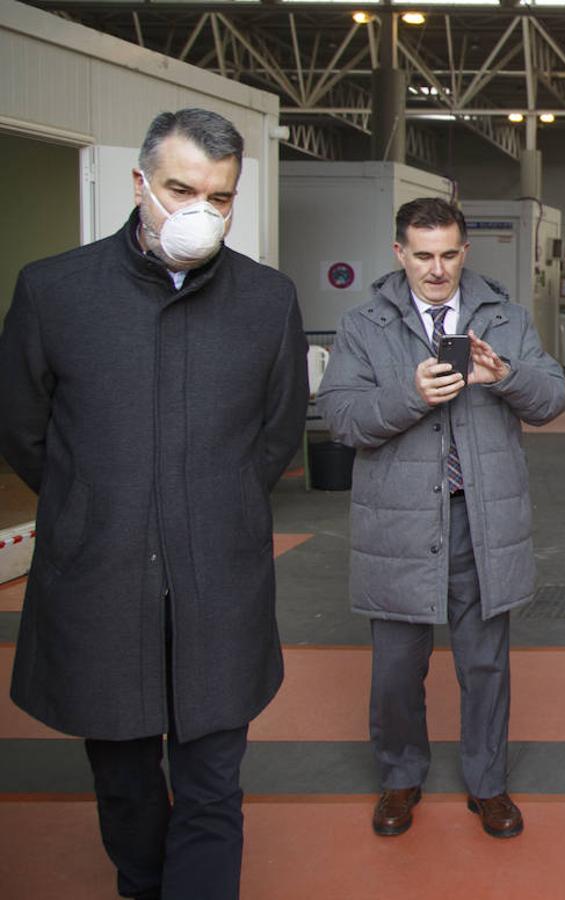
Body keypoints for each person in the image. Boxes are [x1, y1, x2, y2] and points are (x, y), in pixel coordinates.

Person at [0, 108, 308, 899]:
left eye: (221, 195)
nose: (200, 211)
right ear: (140, 183)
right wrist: (100, 503)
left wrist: (217, 503)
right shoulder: (54, 291)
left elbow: (275, 439)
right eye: (180, 188)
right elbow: (25, 433)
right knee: (127, 786)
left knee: (211, 786)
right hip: (100, 580)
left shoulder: (267, 301)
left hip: (219, 585)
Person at [317, 197, 565, 840]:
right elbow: (341, 417)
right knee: (397, 668)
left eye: (449, 254)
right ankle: (400, 777)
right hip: (399, 523)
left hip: (482, 521)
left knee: (485, 663)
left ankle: (488, 784)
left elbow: (551, 399)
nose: (436, 269)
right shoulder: (364, 326)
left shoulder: (506, 318)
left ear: (465, 251)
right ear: (398, 252)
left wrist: (504, 374)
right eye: (422, 255)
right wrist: (410, 395)